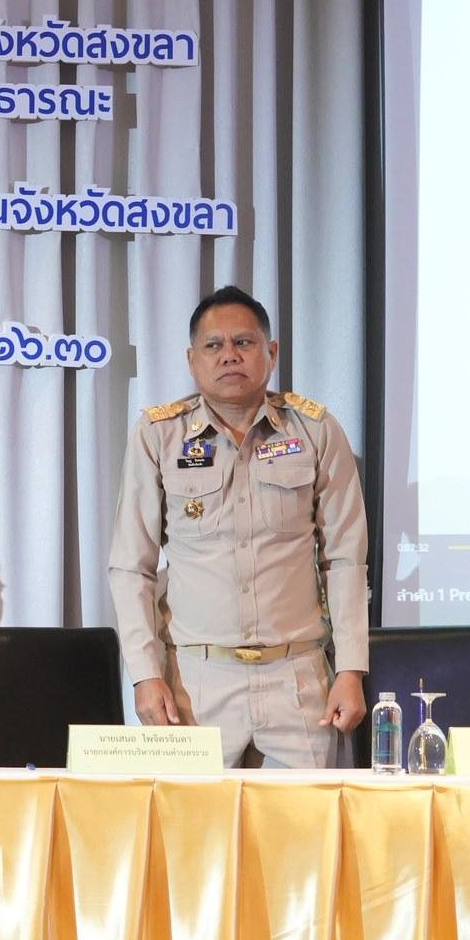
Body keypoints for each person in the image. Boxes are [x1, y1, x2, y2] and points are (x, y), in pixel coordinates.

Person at [107, 286, 369, 768]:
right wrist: (145, 674)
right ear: (192, 360)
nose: (229, 355)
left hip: (298, 678)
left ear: (272, 353)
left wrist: (351, 669)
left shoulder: (315, 430)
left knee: (303, 817)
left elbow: (346, 560)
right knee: (194, 819)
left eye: (244, 343)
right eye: (214, 345)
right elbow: (131, 567)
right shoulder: (158, 435)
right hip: (195, 682)